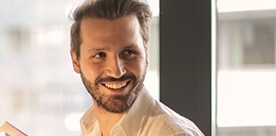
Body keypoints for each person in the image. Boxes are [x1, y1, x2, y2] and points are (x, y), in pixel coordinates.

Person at [68, 0, 205, 135]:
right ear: (75, 61)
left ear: (146, 53)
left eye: (128, 53)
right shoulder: (90, 128)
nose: (116, 71)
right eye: (100, 55)